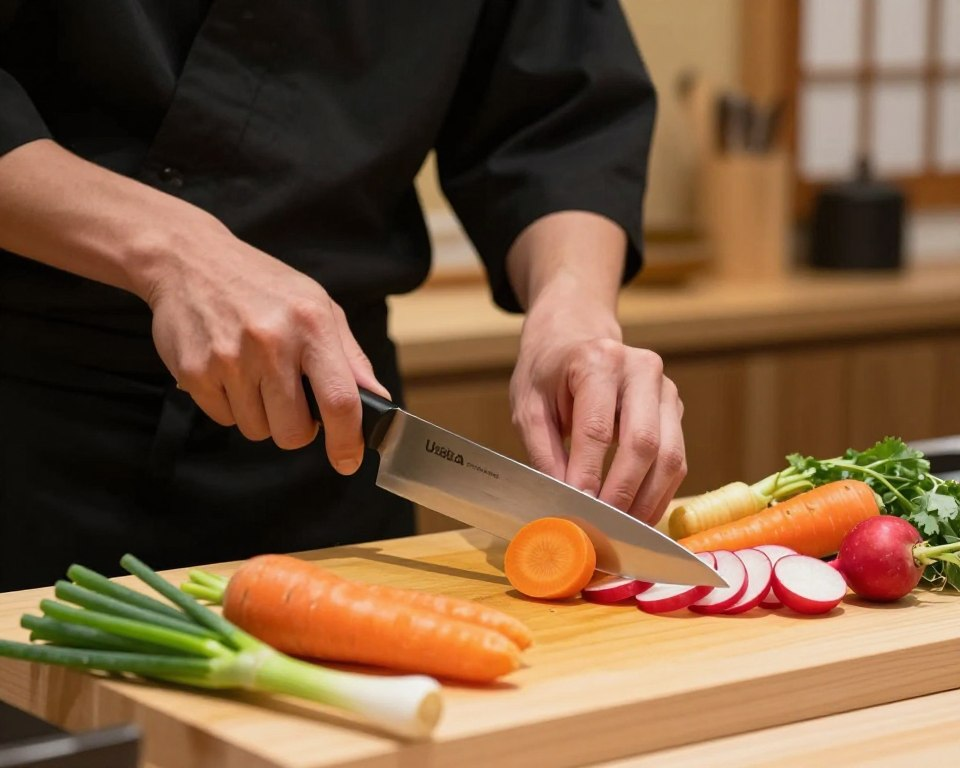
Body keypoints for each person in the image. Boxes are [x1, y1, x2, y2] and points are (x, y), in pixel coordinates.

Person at [0, 1, 686, 592]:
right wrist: (170, 250)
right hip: (30, 428)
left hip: (329, 433)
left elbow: (562, 123)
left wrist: (572, 312)